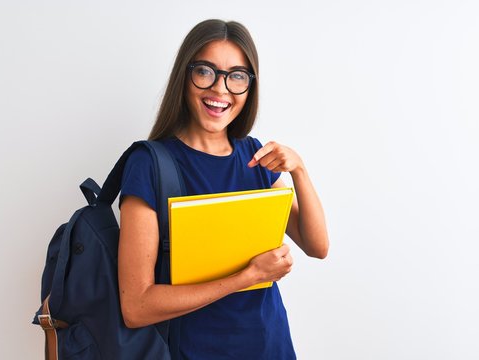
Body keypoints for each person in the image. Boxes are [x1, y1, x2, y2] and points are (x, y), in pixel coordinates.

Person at [118, 19, 329, 360]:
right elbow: (137, 306)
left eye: (237, 76)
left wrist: (300, 170)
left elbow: (317, 246)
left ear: (250, 86)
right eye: (205, 72)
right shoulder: (150, 164)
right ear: (184, 78)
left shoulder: (255, 156)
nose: (221, 89)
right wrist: (247, 277)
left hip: (270, 346)